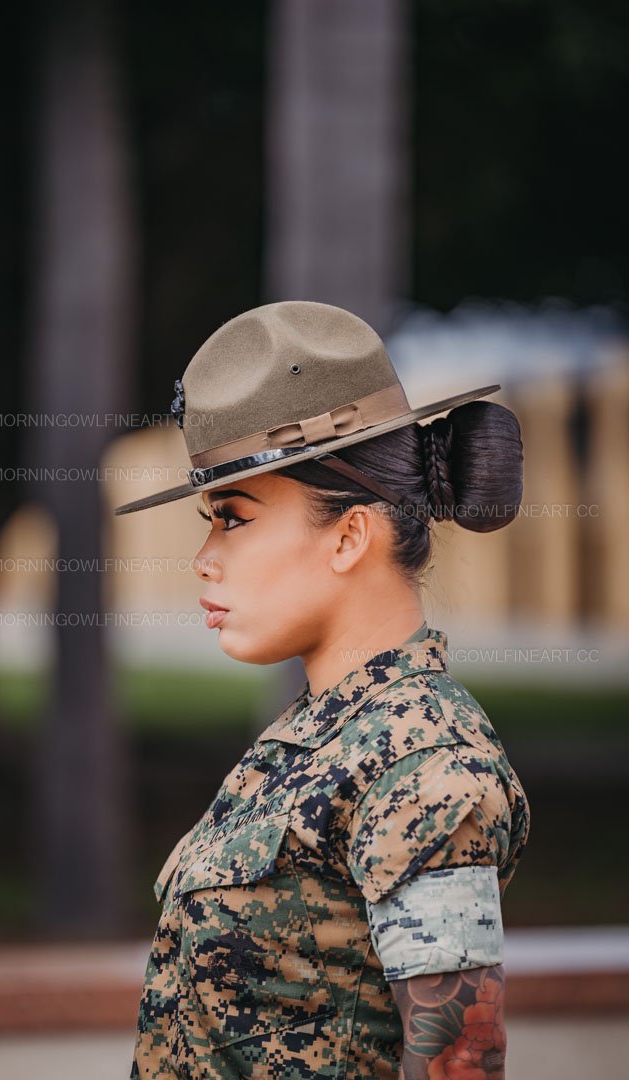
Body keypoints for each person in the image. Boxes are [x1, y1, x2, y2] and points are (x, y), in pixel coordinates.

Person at [115, 301, 531, 1080]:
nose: (204, 558)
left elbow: (462, 1062)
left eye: (233, 520)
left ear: (349, 536)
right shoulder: (322, 737)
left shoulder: (423, 764)